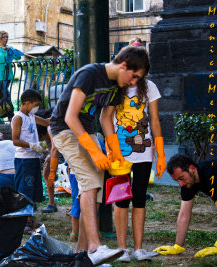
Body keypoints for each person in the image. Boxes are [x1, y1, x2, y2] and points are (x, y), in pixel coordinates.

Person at [50, 45, 149, 265]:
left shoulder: (117, 87)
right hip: (65, 130)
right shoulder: (90, 74)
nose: (134, 83)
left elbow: (106, 120)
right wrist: (95, 152)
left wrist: (115, 151)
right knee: (90, 182)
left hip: (87, 131)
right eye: (134, 76)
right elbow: (70, 117)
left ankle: (82, 254)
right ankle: (95, 247)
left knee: (96, 189)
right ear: (124, 65)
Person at [107, 39, 166, 262]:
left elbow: (155, 120)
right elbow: (105, 118)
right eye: (135, 74)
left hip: (144, 151)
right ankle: (122, 248)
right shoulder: (114, 85)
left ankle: (139, 248)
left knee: (139, 198)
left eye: (140, 76)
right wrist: (111, 149)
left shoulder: (149, 87)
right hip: (119, 153)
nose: (136, 79)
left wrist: (160, 153)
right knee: (121, 200)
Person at [153, 154, 217, 258]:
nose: (180, 184)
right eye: (177, 180)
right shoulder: (188, 183)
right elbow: (184, 215)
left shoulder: (212, 173)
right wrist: (177, 246)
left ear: (192, 168)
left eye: (181, 178)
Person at [11, 89, 49, 233]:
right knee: (24, 189)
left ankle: (29, 219)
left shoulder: (32, 116)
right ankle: (24, 221)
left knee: (32, 189)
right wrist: (31, 145)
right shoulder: (18, 118)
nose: (36, 107)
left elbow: (45, 122)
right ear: (27, 103)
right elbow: (15, 140)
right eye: (35, 104)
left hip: (33, 158)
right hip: (23, 159)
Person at [0, 30, 24, 122]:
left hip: (8, 76)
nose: (6, 39)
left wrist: (13, 51)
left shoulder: (9, 48)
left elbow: (18, 57)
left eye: (7, 37)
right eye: (4, 37)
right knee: (6, 94)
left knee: (2, 96)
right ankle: (11, 114)